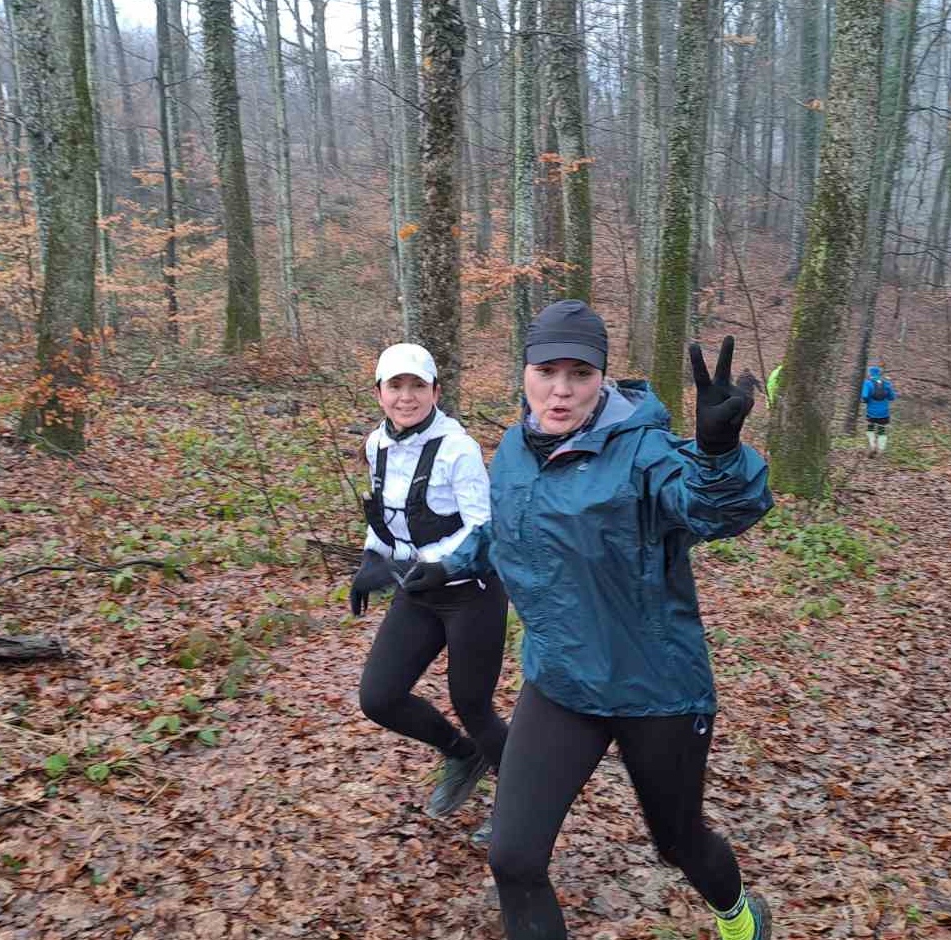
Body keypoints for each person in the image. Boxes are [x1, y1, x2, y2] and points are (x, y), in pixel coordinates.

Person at [403, 301, 775, 940]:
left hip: (655, 691)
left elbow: (717, 511)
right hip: (561, 682)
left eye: (580, 373)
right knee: (513, 858)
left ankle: (741, 918)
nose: (561, 390)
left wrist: (718, 455)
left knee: (678, 842)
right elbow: (510, 528)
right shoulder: (515, 449)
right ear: (524, 371)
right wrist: (450, 564)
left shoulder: (645, 453)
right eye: (547, 371)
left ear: (602, 377)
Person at [352, 342, 508, 842]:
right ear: (379, 393)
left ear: (436, 391)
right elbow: (388, 516)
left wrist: (444, 567)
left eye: (417, 385)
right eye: (395, 386)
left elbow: (485, 527)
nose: (406, 396)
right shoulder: (376, 445)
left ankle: (520, 805)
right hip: (418, 590)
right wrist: (371, 559)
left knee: (473, 703)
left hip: (471, 591)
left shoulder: (458, 449)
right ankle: (463, 756)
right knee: (379, 697)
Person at [860, 363, 896, 457]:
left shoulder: (867, 383)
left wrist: (866, 401)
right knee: (882, 430)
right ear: (879, 373)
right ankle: (881, 449)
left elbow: (864, 396)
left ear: (870, 373)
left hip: (871, 412)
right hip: (884, 413)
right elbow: (892, 397)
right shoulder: (886, 383)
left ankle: (872, 446)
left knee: (870, 428)